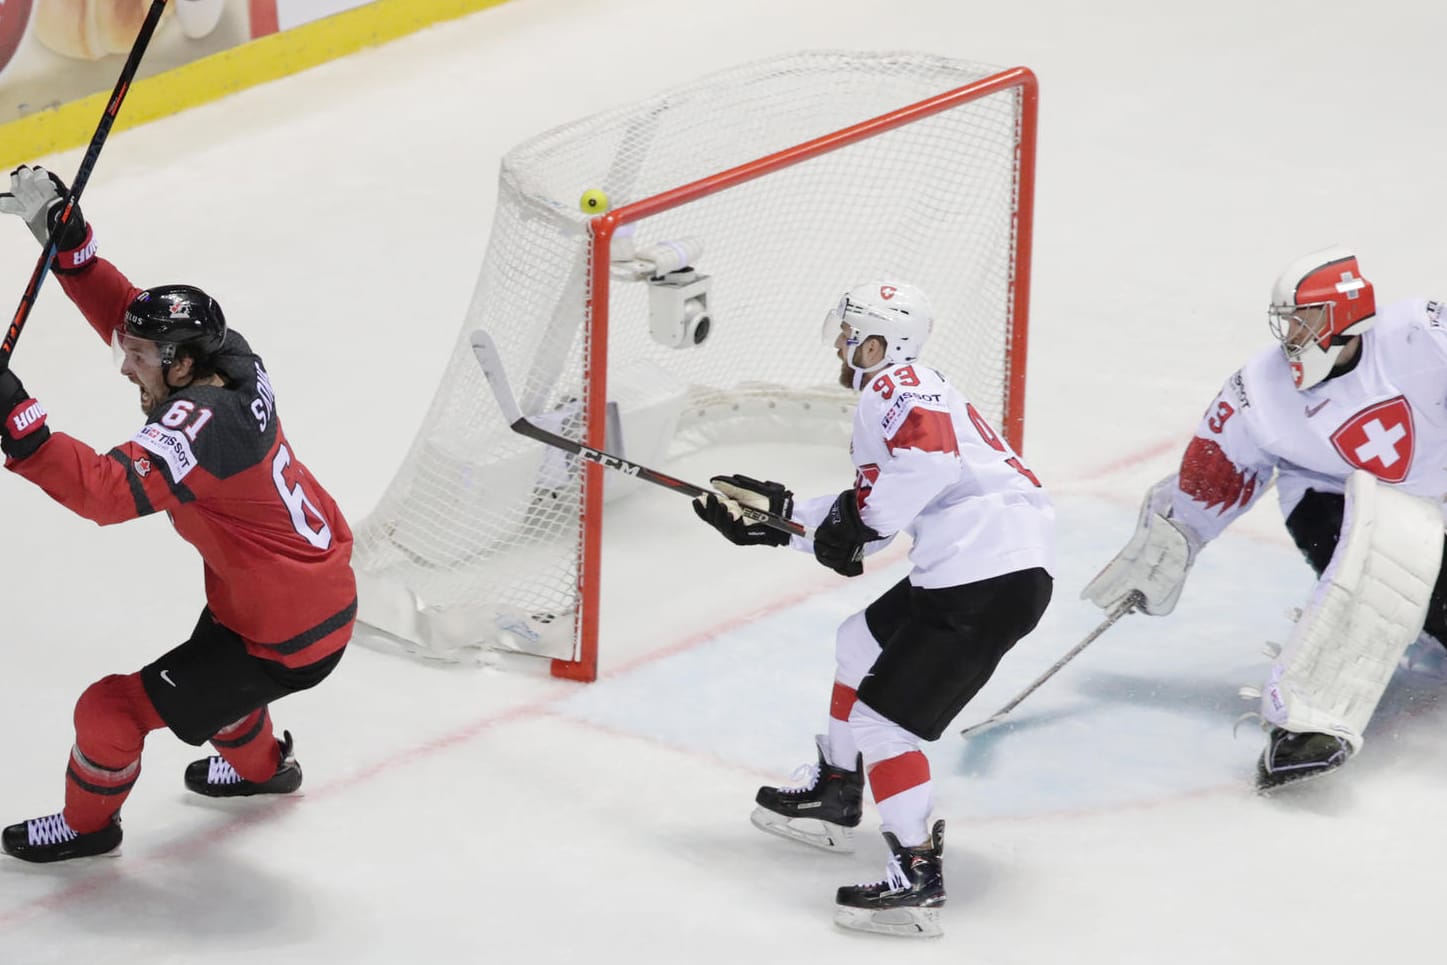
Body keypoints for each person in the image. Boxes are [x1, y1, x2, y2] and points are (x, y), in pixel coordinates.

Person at [0, 165, 356, 862]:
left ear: (183, 369)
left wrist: (18, 418)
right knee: (218, 685)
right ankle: (265, 767)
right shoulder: (230, 357)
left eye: (138, 359)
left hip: (282, 630)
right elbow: (139, 315)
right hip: (290, 601)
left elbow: (106, 493)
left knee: (108, 710)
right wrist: (74, 255)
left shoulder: (201, 430)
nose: (127, 368)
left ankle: (88, 826)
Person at [692, 281, 1055, 938]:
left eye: (852, 332)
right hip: (981, 564)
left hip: (983, 568)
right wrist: (782, 517)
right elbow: (882, 512)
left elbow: (925, 468)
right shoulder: (907, 391)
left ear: (885, 341)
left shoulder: (898, 384)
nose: (841, 343)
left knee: (885, 725)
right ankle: (835, 790)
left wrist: (853, 523)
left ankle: (915, 875)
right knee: (856, 641)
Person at [1084, 246, 1447, 792]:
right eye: (1289, 321)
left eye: (1306, 321)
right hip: (1332, 498)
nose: (1292, 335)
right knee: (1371, 574)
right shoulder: (1258, 389)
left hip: (1434, 490)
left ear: (1346, 318)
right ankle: (1307, 720)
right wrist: (1169, 544)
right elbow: (1212, 473)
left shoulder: (1421, 331)